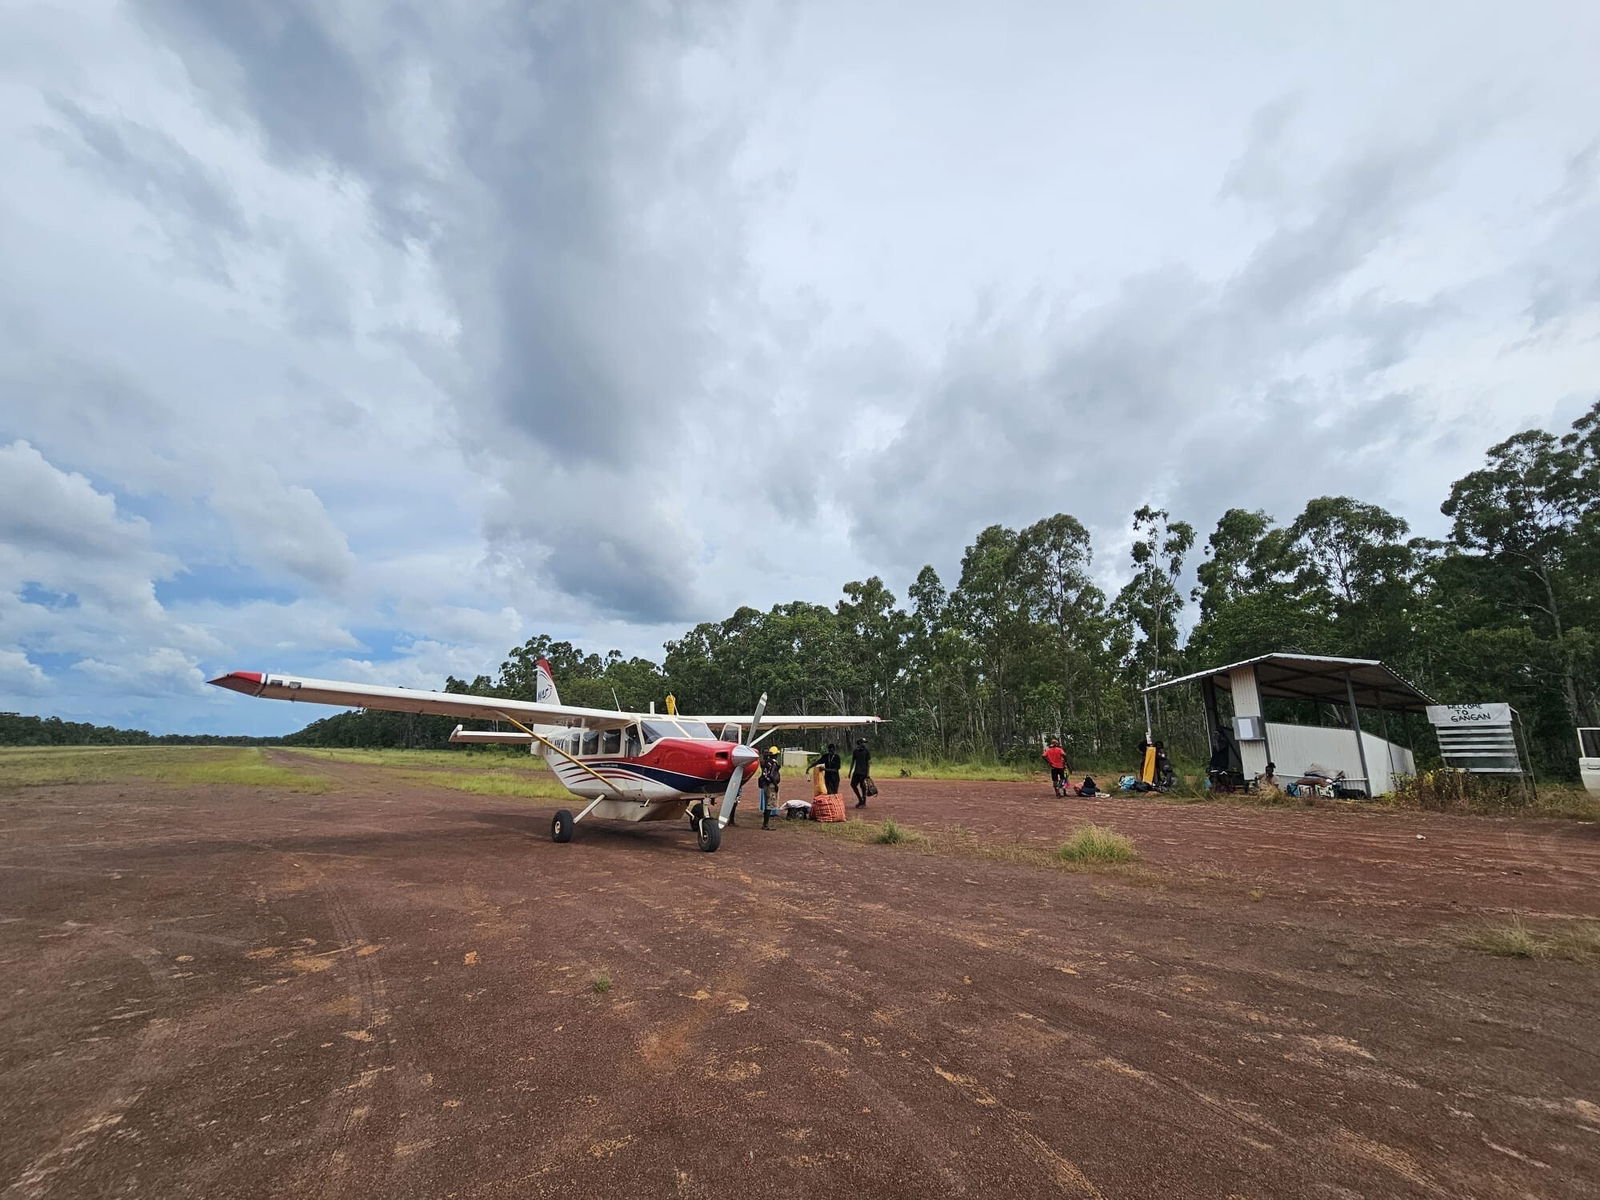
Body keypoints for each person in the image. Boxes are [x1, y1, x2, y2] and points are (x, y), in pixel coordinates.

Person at [759, 746, 782, 829]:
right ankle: (765, 825)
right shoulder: (774, 763)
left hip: (765, 784)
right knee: (770, 804)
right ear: (775, 755)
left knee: (767, 804)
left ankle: (765, 824)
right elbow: (771, 775)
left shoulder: (766, 762)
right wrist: (776, 785)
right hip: (771, 785)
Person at [850, 738, 872, 807]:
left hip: (863, 772)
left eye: (865, 743)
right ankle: (860, 799)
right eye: (863, 742)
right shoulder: (855, 751)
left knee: (863, 787)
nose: (864, 744)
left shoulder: (866, 751)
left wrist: (868, 774)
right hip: (856, 772)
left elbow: (868, 763)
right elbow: (853, 762)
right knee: (853, 785)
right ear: (859, 743)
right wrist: (850, 772)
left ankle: (863, 802)